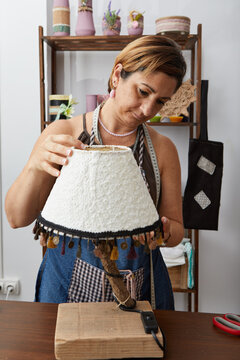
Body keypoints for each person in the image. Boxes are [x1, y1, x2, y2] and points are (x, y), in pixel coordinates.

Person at [5, 35, 186, 309]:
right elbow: (17, 218)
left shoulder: (162, 149)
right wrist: (35, 164)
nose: (148, 110)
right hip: (65, 285)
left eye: (161, 102)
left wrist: (163, 231)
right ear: (117, 76)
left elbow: (176, 232)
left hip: (142, 286)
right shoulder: (62, 134)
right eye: (143, 91)